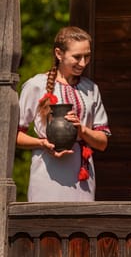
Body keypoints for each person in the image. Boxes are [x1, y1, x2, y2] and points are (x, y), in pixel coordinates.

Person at [16, 26, 111, 202]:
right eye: (77, 57)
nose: (83, 63)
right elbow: (14, 136)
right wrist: (42, 143)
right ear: (59, 54)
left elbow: (103, 142)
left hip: (83, 176)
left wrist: (81, 130)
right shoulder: (36, 85)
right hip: (47, 173)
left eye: (87, 56)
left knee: (80, 227)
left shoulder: (91, 89)